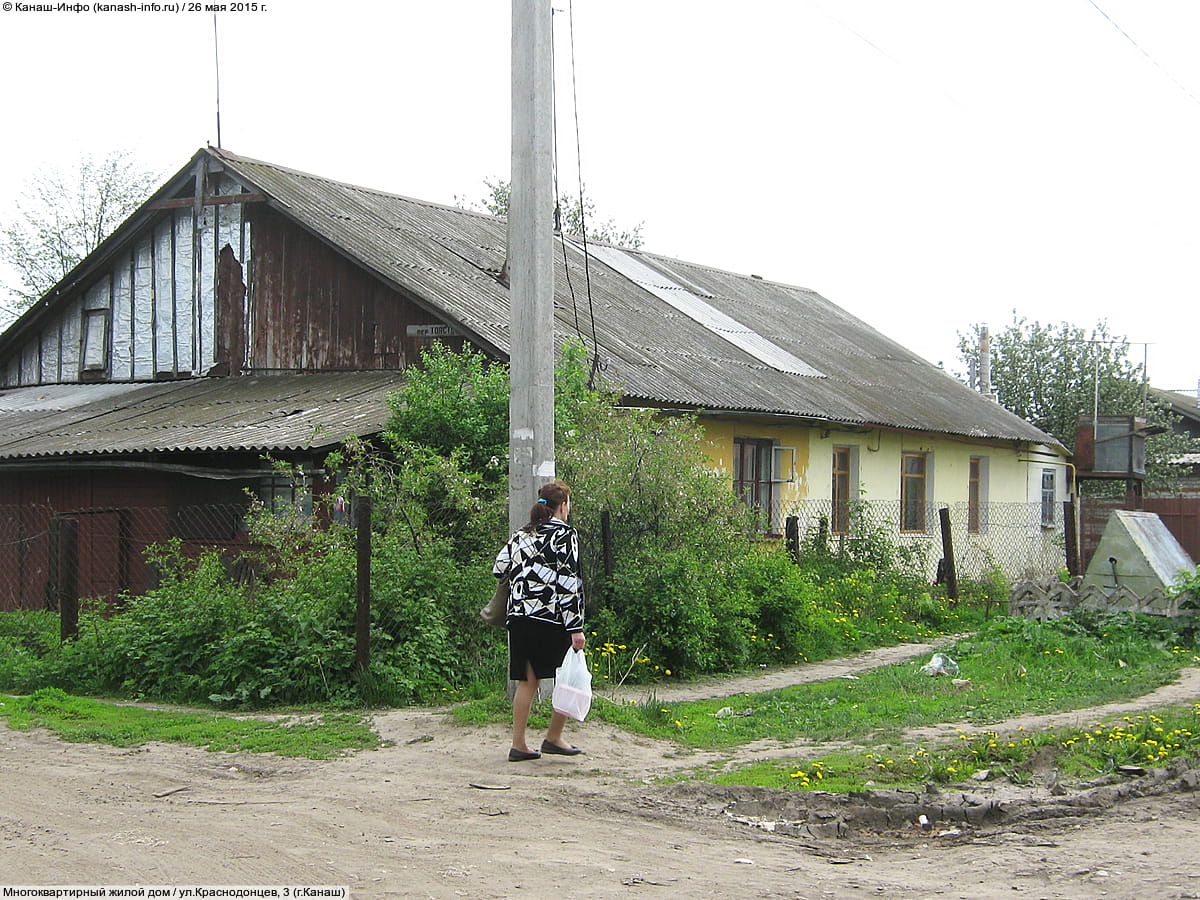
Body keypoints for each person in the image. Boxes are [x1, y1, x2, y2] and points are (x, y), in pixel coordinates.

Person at [493, 479, 587, 762]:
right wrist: (576, 627)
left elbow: (498, 569)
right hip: (551, 617)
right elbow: (569, 583)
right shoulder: (565, 535)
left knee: (528, 681)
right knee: (567, 678)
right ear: (562, 506)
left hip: (520, 617)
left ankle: (519, 745)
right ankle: (554, 737)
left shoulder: (520, 534)